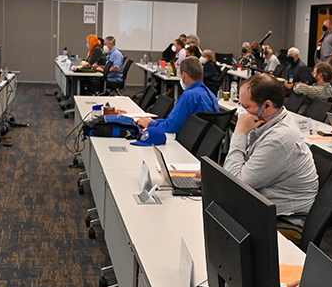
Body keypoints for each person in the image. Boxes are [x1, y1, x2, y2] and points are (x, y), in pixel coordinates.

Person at [225, 74, 319, 225]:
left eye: (246, 107)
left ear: (267, 106)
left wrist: (239, 132)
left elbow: (235, 183)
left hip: (283, 221)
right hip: (263, 205)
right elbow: (240, 170)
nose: (242, 113)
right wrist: (217, 173)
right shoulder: (271, 121)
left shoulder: (279, 139)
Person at [136, 57, 218, 133]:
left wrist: (150, 123)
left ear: (184, 75)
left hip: (184, 142)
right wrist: (155, 121)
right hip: (199, 141)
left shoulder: (188, 96)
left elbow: (170, 127)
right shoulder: (210, 94)